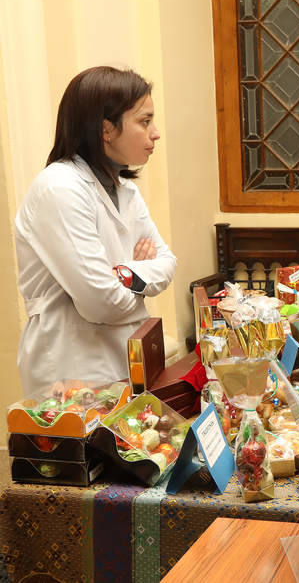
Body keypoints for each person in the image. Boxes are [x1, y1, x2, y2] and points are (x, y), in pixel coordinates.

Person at [15, 66, 177, 395]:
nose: (156, 133)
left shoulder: (125, 190)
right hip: (71, 366)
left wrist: (122, 272)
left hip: (121, 355)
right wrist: (139, 280)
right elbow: (100, 303)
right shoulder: (60, 188)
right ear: (106, 129)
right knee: (84, 444)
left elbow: (168, 262)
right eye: (144, 121)